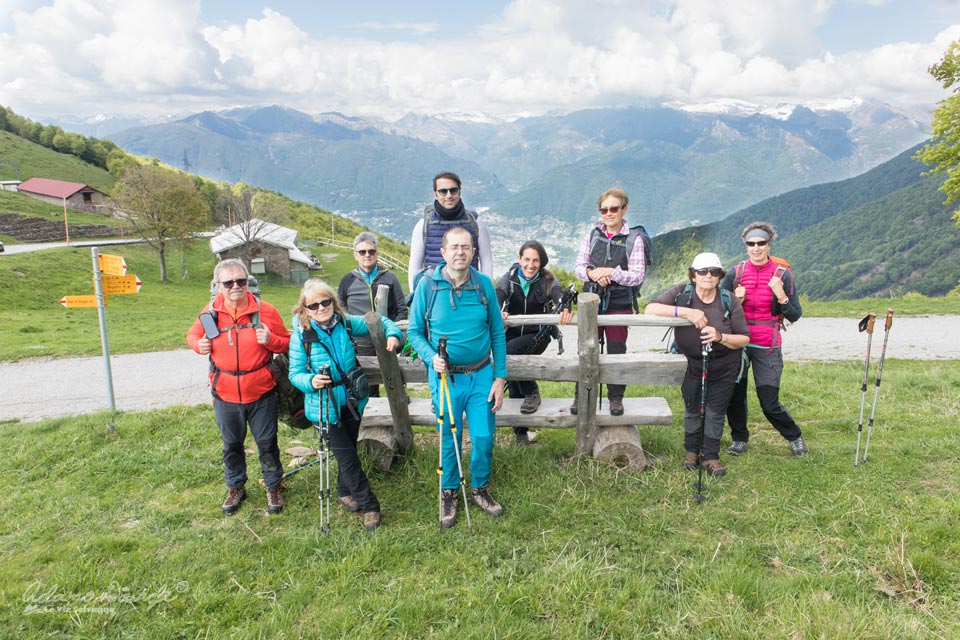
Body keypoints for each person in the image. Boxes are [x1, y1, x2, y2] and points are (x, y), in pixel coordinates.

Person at [407, 227, 508, 528]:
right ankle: (449, 490)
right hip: (446, 378)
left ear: (474, 252)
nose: (460, 252)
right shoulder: (427, 285)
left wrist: (500, 378)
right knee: (449, 437)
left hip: (481, 375)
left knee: (483, 436)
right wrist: (430, 357)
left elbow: (497, 333)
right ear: (443, 252)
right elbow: (414, 332)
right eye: (454, 247)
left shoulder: (484, 285)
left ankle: (479, 487)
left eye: (466, 247)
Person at [287, 279, 402, 531]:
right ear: (304, 309)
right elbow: (294, 373)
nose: (320, 308)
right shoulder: (301, 337)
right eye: (313, 305)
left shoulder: (345, 323)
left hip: (350, 399)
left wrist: (392, 334)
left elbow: (378, 320)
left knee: (347, 450)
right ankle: (370, 505)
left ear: (333, 302)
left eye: (325, 302)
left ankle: (343, 491)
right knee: (349, 458)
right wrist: (311, 380)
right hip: (323, 405)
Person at [187, 259, 291, 516]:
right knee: (231, 444)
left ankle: (273, 486)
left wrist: (271, 339)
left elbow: (287, 344)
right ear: (218, 286)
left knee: (267, 442)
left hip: (261, 392)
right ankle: (236, 487)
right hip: (225, 394)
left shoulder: (264, 311)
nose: (236, 286)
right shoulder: (211, 313)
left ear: (248, 282)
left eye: (241, 281)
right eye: (229, 282)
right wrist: (197, 345)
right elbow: (193, 335)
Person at [646, 253, 750, 476]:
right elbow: (650, 308)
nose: (708, 276)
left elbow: (743, 339)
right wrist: (686, 312)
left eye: (714, 272)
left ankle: (710, 457)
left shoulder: (728, 300)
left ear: (720, 276)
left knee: (715, 412)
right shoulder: (682, 294)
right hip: (691, 365)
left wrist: (720, 336)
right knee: (693, 409)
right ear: (693, 275)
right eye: (702, 271)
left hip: (725, 367)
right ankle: (691, 452)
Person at [720, 222, 807, 456]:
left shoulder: (782, 274)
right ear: (746, 245)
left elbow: (795, 315)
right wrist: (734, 300)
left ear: (769, 245)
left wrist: (781, 296)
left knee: (769, 401)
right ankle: (739, 439)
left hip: (767, 343)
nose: (756, 248)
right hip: (738, 342)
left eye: (761, 243)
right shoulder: (735, 273)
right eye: (751, 244)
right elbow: (719, 310)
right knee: (735, 396)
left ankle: (794, 436)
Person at [572, 187, 647, 416]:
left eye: (614, 208)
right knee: (586, 348)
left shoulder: (635, 239)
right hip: (591, 301)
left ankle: (615, 398)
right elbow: (579, 267)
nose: (608, 213)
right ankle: (581, 395)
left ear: (624, 210)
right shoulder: (593, 234)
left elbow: (637, 275)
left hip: (619, 303)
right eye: (604, 209)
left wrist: (611, 273)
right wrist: (594, 274)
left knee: (616, 350)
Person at [495, 240, 573, 444]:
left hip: (538, 335)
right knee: (512, 377)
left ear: (541, 262)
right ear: (519, 259)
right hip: (511, 334)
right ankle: (520, 433)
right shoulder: (509, 278)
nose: (531, 265)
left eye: (535, 260)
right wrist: (497, 313)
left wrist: (565, 307)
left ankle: (532, 392)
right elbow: (498, 295)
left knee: (509, 355)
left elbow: (559, 296)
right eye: (527, 259)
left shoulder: (547, 279)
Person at [338, 231, 408, 397]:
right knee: (368, 387)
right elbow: (340, 312)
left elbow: (401, 309)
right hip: (360, 344)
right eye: (362, 252)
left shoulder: (390, 278)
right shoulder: (347, 281)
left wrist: (394, 333)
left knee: (396, 381)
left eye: (371, 251)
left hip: (388, 340)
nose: (367, 255)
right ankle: (373, 420)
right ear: (356, 255)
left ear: (377, 254)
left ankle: (399, 416)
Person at [407, 171, 494, 291]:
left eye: (453, 190)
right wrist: (415, 295)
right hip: (435, 294)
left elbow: (486, 260)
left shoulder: (476, 222)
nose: (449, 195)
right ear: (436, 194)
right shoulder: (423, 225)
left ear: (459, 192)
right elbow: (414, 267)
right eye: (443, 191)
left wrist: (487, 291)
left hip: (470, 292)